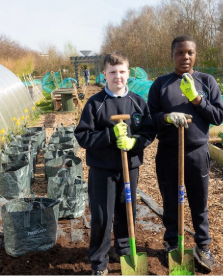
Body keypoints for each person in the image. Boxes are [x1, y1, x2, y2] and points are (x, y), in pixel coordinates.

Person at [147, 35, 223, 272]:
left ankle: (202, 246)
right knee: (171, 202)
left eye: (190, 52)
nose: (185, 57)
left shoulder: (206, 81)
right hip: (169, 153)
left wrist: (197, 99)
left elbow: (219, 116)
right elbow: (150, 119)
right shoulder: (161, 84)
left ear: (195, 55)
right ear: (172, 56)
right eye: (180, 53)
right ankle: (173, 244)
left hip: (197, 153)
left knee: (199, 203)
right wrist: (166, 117)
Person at [74, 51, 156, 275]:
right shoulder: (96, 104)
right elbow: (83, 136)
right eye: (112, 72)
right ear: (104, 75)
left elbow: (149, 132)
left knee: (126, 211)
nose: (117, 76)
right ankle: (99, 263)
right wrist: (109, 135)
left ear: (129, 73)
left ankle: (123, 251)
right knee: (102, 216)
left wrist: (134, 142)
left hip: (130, 168)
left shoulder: (138, 103)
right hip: (103, 171)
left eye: (121, 72)